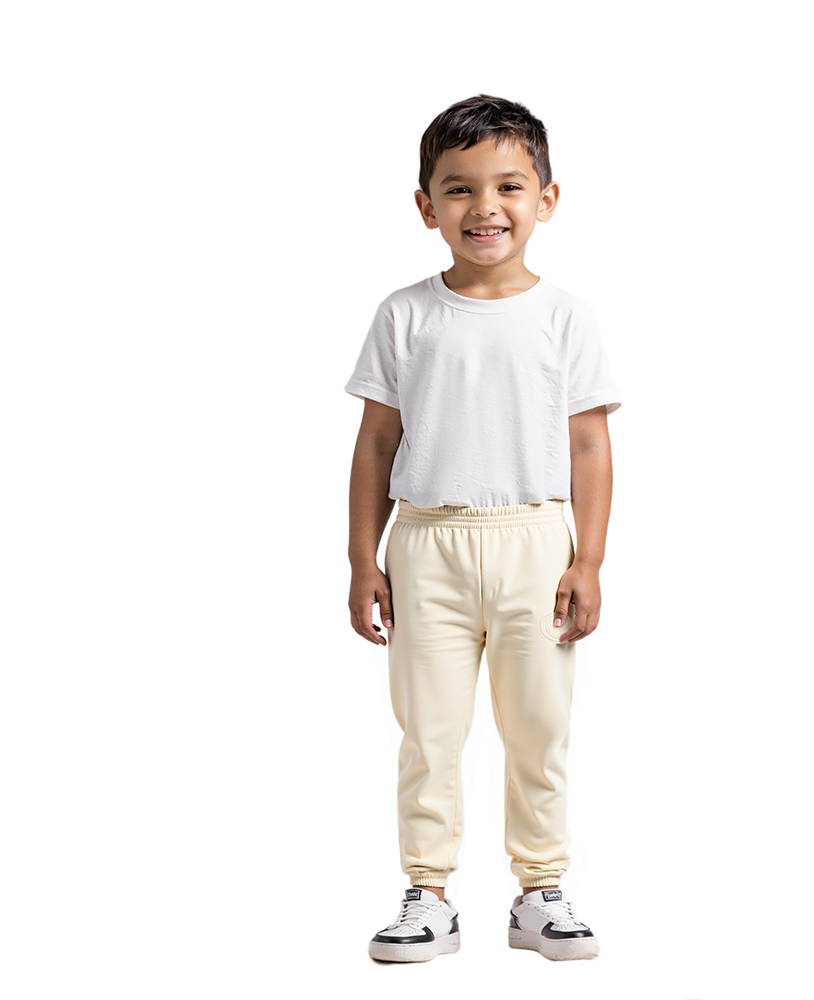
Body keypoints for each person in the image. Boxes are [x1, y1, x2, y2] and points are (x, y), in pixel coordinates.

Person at [345, 94, 620, 963]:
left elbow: (589, 444)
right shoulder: (405, 315)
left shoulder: (565, 317)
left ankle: (541, 889)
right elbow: (376, 442)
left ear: (547, 199)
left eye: (508, 186)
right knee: (428, 731)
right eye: (458, 189)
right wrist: (362, 559)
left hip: (535, 541)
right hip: (426, 542)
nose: (484, 207)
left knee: (538, 727)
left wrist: (589, 561)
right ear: (426, 206)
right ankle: (428, 894)